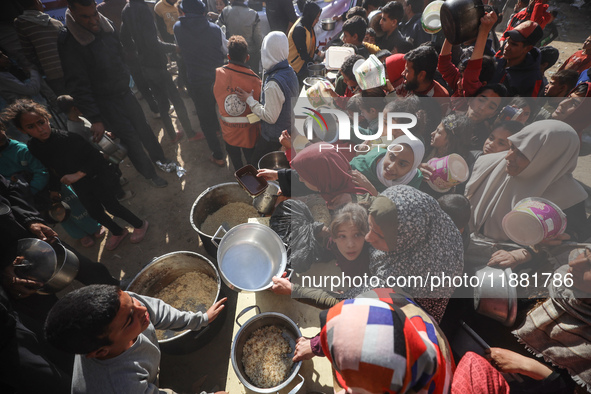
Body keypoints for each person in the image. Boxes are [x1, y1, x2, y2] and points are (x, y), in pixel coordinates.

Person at [0, 174, 119, 393]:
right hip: (13, 281)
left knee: (94, 271)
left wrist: (30, 220)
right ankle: (104, 371)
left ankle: (127, 320)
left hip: (34, 242)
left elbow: (11, 189)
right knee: (56, 329)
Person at [4, 99, 150, 251]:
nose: (40, 129)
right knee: (95, 212)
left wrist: (78, 174)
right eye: (31, 127)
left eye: (41, 122)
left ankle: (139, 224)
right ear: (22, 130)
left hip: (96, 176)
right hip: (79, 184)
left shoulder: (68, 138)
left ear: (47, 118)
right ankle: (118, 231)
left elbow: (97, 158)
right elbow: (50, 168)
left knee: (113, 207)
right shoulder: (34, 146)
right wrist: (54, 189)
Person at [58, 0, 170, 188]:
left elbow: (119, 52)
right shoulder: (68, 41)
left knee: (143, 128)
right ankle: (150, 174)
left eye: (94, 13)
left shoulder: (106, 24)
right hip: (105, 102)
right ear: (71, 11)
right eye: (85, 16)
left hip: (125, 92)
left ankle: (161, 159)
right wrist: (95, 118)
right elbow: (78, 84)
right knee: (131, 139)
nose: (93, 20)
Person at [44, 284, 227, 394]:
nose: (142, 310)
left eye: (132, 301)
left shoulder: (122, 306)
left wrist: (199, 319)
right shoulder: (119, 385)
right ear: (101, 351)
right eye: (129, 319)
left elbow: (157, 310)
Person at [465, 120, 588, 269]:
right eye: (511, 147)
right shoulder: (486, 164)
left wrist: (525, 253)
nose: (508, 157)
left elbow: (566, 241)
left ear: (549, 160)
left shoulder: (570, 199)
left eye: (522, 154)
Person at [366, 185, 464, 321]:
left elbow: (362, 301)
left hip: (410, 318)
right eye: (370, 227)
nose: (368, 237)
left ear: (405, 237)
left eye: (380, 236)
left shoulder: (415, 271)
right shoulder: (429, 219)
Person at [120, 0, 202, 143]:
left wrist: (138, 52)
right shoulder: (143, 10)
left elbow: (124, 37)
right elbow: (153, 43)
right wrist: (174, 47)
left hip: (144, 65)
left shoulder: (126, 10)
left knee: (161, 102)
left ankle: (172, 134)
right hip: (156, 64)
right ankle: (190, 133)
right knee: (177, 100)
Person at [174, 0, 228, 167]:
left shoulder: (177, 28)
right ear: (204, 12)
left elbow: (179, 48)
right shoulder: (215, 29)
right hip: (217, 78)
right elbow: (225, 50)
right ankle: (228, 140)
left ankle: (218, 155)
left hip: (196, 81)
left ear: (184, 12)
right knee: (224, 112)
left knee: (205, 117)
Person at [236, 31, 299, 166]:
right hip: (288, 128)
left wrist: (249, 100)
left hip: (273, 137)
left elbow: (270, 117)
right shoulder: (289, 70)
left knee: (256, 165)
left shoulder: (273, 83)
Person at [213, 35, 261, 170]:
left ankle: (241, 181)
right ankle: (255, 183)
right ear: (247, 57)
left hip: (228, 132)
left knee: (237, 163)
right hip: (249, 134)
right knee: (252, 162)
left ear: (228, 57)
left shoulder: (218, 74)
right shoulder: (254, 80)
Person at [290, 143, 369, 209]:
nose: (300, 179)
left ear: (322, 179)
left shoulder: (349, 206)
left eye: (305, 177)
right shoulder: (335, 189)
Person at [13, 0, 66, 96]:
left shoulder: (21, 22)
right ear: (37, 3)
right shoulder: (57, 23)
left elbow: (28, 52)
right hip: (69, 69)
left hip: (51, 72)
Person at [350, 135, 425, 195]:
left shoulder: (413, 179)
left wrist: (372, 191)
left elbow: (399, 210)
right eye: (391, 157)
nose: (391, 167)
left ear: (413, 167)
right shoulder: (361, 166)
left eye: (402, 164)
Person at [491, 20, 545, 97]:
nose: (507, 47)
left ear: (527, 48)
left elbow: (530, 106)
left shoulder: (533, 78)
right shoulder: (496, 61)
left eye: (513, 44)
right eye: (508, 41)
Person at [217, 0, 262, 74]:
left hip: (232, 54)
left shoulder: (225, 12)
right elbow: (258, 38)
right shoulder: (253, 14)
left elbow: (218, 31)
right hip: (249, 56)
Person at [287, 1, 322, 84]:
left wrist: (320, 53)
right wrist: (315, 64)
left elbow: (310, 43)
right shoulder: (299, 29)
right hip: (296, 68)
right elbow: (303, 54)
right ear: (311, 16)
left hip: (304, 63)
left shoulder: (308, 23)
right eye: (316, 17)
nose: (318, 20)